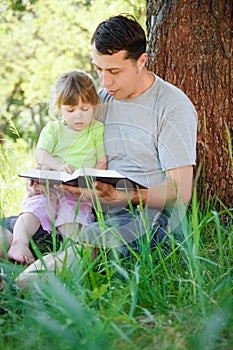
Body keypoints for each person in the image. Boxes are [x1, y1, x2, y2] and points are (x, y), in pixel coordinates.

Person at [0, 15, 197, 286]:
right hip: (84, 206)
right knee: (18, 227)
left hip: (142, 214)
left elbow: (180, 192)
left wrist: (120, 195)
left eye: (114, 71)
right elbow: (69, 152)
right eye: (98, 69)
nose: (105, 82)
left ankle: (17, 288)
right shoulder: (99, 101)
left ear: (141, 61)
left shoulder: (172, 106)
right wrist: (44, 181)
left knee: (85, 245)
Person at [5, 70, 107, 264]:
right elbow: (40, 154)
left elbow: (102, 159)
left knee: (75, 216)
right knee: (36, 207)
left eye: (85, 109)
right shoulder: (54, 129)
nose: (79, 116)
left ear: (94, 106)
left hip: (77, 192)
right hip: (50, 186)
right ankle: (19, 243)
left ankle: (67, 252)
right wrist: (59, 166)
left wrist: (93, 177)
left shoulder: (96, 129)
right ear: (60, 108)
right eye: (70, 110)